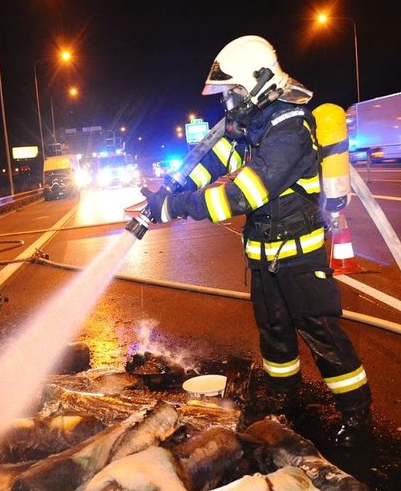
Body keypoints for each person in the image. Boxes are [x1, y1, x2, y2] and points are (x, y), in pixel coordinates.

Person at [139, 35, 372, 448]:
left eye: (232, 91)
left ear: (258, 80)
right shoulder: (251, 127)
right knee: (274, 334)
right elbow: (210, 162)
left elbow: (241, 194)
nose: (227, 102)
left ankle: (356, 418)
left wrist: (173, 208)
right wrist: (166, 192)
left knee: (321, 335)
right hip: (263, 256)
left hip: (300, 255)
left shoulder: (289, 130)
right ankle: (285, 402)